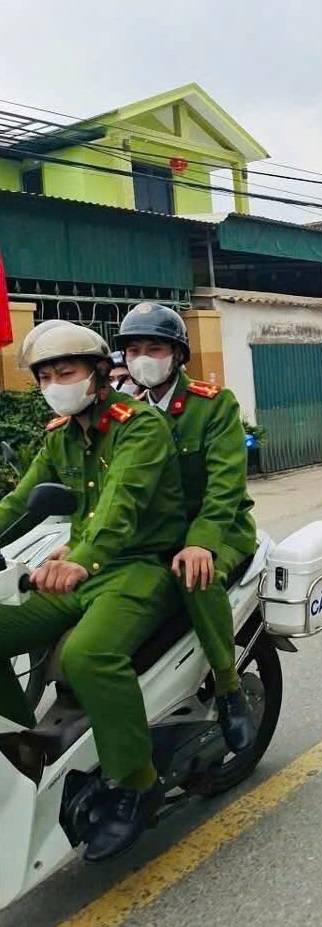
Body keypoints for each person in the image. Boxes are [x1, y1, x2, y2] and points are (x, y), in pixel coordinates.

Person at [0, 320, 187, 862]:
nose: (57, 382)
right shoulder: (59, 435)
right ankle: (22, 745)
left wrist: (81, 559)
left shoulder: (140, 428)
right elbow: (18, 502)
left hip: (141, 569)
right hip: (80, 570)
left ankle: (136, 782)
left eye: (68, 371)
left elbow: (119, 509)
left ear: (100, 373)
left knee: (89, 655)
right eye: (48, 375)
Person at [115, 303, 256, 754]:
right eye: (133, 349)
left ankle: (229, 685)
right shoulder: (121, 414)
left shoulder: (212, 405)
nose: (142, 358)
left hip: (219, 530)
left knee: (195, 577)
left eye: (153, 347)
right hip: (150, 537)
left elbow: (225, 487)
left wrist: (201, 543)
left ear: (178, 354)